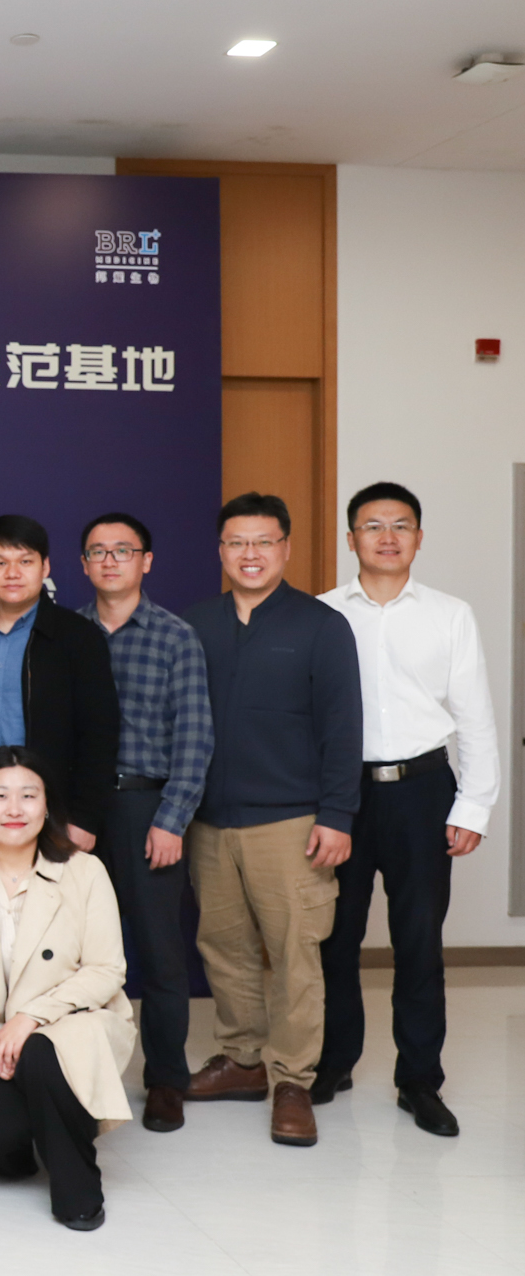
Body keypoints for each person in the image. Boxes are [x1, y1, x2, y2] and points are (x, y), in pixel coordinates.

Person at [315, 482, 496, 1136]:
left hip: (423, 790)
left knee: (418, 940)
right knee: (335, 935)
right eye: (372, 525)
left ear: (419, 537)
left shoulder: (450, 614)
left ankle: (418, 1079)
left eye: (400, 525)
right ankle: (333, 1060)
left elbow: (474, 714)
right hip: (342, 794)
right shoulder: (323, 614)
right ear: (351, 538)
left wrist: (473, 806)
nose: (386, 537)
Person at [180, 493, 360, 1148]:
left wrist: (337, 814)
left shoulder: (321, 625)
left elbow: (343, 727)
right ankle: (243, 1059)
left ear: (285, 547)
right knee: (223, 948)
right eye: (237, 542)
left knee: (294, 954)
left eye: (263, 541)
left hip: (291, 822)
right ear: (221, 551)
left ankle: (292, 1081)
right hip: (209, 822)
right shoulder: (195, 623)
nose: (250, 554)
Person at [0, 746, 135, 1230]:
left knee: (44, 1051)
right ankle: (36, 1130)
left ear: (47, 806)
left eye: (28, 795)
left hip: (75, 1028)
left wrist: (30, 1019)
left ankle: (78, 1189)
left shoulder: (85, 871)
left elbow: (107, 969)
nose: (14, 809)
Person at [75, 512, 213, 1132]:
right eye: (98, 552)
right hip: (79, 814)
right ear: (82, 564)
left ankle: (165, 1079)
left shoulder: (175, 637)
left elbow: (195, 736)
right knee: (71, 954)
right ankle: (78, 1073)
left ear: (146, 561)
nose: (110, 561)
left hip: (146, 809)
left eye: (123, 550)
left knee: (159, 954)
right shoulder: (67, 632)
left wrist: (172, 818)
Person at [0, 515, 120, 849]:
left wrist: (85, 817)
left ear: (45, 567)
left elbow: (100, 733)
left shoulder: (78, 636)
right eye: (0, 563)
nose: (13, 573)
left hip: (54, 814)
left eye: (25, 562)